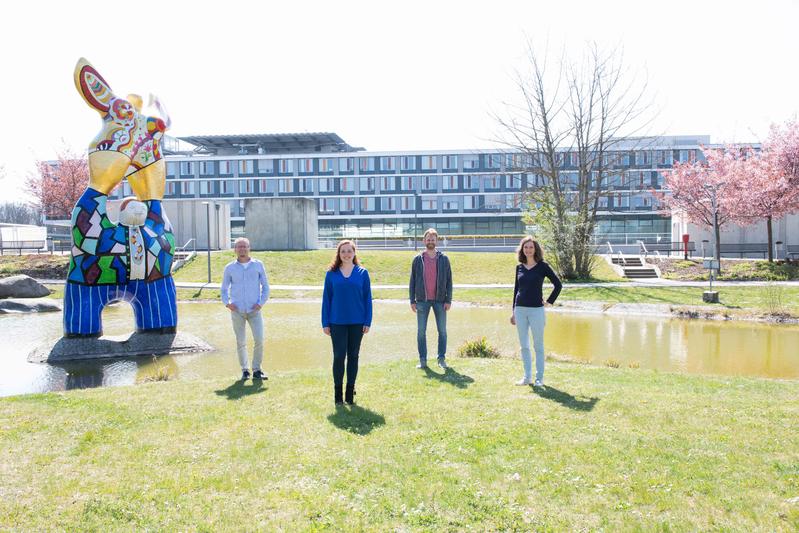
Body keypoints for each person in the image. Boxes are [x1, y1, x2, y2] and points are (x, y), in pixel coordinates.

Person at [321, 240, 373, 405]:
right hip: (337, 322)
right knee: (338, 357)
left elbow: (367, 299)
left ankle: (350, 394)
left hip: (357, 322)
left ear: (354, 252)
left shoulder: (362, 273)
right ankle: (338, 395)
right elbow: (326, 300)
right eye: (343, 251)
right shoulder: (331, 274)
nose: (346, 254)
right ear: (338, 253)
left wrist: (367, 320)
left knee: (353, 356)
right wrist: (325, 322)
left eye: (349, 251)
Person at [510, 236, 562, 387]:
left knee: (538, 345)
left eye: (531, 247)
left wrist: (549, 302)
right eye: (525, 247)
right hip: (520, 310)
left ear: (535, 249)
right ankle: (527, 377)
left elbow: (558, 285)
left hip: (537, 311)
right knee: (524, 346)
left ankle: (539, 379)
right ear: (522, 249)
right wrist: (513, 311)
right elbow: (516, 290)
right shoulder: (519, 267)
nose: (528, 250)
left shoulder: (542, 266)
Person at [221, 237, 270, 380]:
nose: (242, 249)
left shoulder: (258, 265)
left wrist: (260, 303)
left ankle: (257, 370)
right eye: (239, 247)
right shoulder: (229, 268)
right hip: (237, 311)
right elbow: (224, 289)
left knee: (259, 339)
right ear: (235, 249)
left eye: (244, 246)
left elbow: (266, 287)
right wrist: (227, 303)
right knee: (241, 342)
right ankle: (245, 370)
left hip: (255, 311)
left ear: (249, 248)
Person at [409, 228, 453, 369]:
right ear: (424, 241)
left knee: (443, 331)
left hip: (440, 301)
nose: (430, 241)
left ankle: (441, 359)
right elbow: (412, 281)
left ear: (436, 241)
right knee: (421, 332)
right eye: (428, 239)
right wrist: (412, 300)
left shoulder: (444, 259)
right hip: (422, 301)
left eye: (433, 239)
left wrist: (448, 300)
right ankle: (423, 360)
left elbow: (449, 281)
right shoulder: (417, 259)